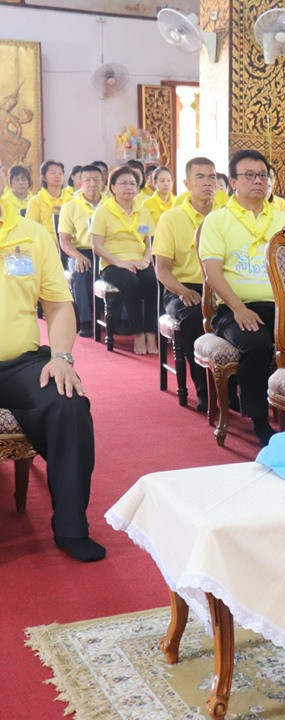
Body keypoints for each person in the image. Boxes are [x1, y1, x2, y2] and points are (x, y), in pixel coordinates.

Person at [0, 162, 104, 563]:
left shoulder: (32, 235)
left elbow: (59, 306)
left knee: (68, 403)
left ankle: (72, 526)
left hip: (21, 361)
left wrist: (62, 358)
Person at [199, 149, 285, 446]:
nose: (258, 181)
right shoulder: (218, 221)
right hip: (233, 307)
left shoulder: (282, 218)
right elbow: (212, 273)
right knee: (256, 342)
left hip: (281, 306)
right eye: (249, 175)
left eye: (263, 175)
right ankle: (260, 421)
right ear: (233, 182)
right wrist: (238, 308)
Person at [153, 156, 217, 413]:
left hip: (220, 287)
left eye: (212, 177)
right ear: (187, 182)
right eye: (200, 177)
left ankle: (233, 389)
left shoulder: (225, 215)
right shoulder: (171, 218)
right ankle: (204, 391)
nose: (208, 182)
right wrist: (182, 290)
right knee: (194, 318)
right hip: (182, 289)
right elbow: (162, 269)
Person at [90, 167, 158, 355]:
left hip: (139, 261)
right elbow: (97, 246)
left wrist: (146, 260)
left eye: (133, 184)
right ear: (112, 187)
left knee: (153, 280)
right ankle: (137, 334)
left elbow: (149, 242)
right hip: (112, 264)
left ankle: (151, 335)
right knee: (131, 282)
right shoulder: (103, 212)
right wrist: (119, 262)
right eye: (124, 183)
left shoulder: (143, 211)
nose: (129, 187)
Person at [58, 165, 104, 337]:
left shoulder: (110, 205)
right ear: (79, 183)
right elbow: (64, 241)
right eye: (87, 180)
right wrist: (77, 256)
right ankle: (85, 321)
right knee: (81, 271)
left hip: (106, 252)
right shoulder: (70, 207)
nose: (92, 184)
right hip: (79, 251)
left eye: (96, 180)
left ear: (103, 182)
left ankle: (121, 320)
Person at [26, 160, 72, 235]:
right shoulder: (36, 201)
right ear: (44, 178)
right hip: (45, 242)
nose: (57, 175)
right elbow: (31, 228)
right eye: (53, 173)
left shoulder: (71, 200)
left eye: (60, 173)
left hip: (69, 241)